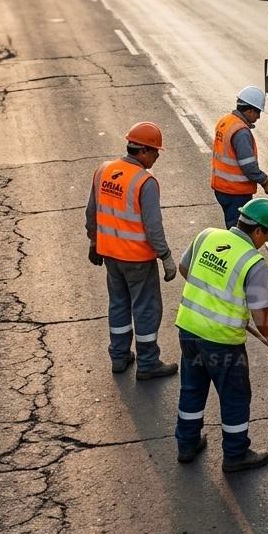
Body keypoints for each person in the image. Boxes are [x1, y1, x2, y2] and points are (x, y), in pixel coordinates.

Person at [174, 199, 268, 469]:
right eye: (267, 235)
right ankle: (235, 454)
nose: (265, 241)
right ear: (258, 231)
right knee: (235, 396)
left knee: (192, 388)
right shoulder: (253, 261)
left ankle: (186, 445)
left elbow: (184, 268)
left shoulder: (206, 235)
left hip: (188, 329)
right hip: (221, 342)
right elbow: (260, 313)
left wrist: (213, 296)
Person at [85, 121, 178, 380]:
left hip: (110, 257)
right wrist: (166, 256)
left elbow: (91, 212)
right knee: (146, 308)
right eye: (156, 152)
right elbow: (153, 225)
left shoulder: (103, 170)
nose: (158, 157)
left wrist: (94, 241)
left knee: (118, 304)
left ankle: (119, 356)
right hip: (138, 259)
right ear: (144, 151)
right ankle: (148, 363)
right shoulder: (145, 181)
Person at [212, 86, 268, 228]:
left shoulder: (226, 121)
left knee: (232, 225)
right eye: (258, 112)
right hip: (236, 192)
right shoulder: (241, 132)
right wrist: (265, 181)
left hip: (222, 188)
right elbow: (249, 166)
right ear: (249, 110)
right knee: (238, 231)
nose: (258, 117)